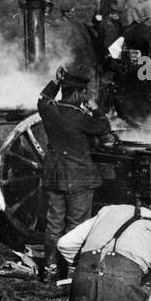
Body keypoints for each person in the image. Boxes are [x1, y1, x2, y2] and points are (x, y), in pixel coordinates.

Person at [38, 69, 112, 281]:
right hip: (80, 177)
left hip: (54, 176)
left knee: (54, 224)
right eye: (84, 93)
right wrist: (95, 108)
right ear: (79, 94)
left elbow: (43, 98)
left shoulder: (49, 110)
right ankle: (71, 272)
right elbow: (104, 127)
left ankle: (50, 270)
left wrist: (56, 81)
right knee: (77, 225)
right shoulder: (81, 118)